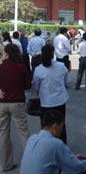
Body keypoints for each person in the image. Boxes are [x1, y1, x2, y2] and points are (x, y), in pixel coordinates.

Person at [20, 110, 86, 174]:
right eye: (61, 126)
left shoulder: (32, 138)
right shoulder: (55, 144)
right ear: (55, 126)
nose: (62, 130)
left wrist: (71, 158)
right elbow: (77, 167)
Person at [0, 44, 31, 172]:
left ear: (7, 54)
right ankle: (30, 163)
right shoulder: (22, 68)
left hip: (1, 103)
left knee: (3, 133)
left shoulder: (1, 67)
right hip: (17, 102)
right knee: (24, 133)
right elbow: (28, 85)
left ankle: (6, 164)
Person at [32, 44, 70, 143]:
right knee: (61, 125)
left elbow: (35, 87)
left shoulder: (38, 69)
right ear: (53, 54)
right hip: (60, 101)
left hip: (45, 103)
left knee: (45, 127)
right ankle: (62, 147)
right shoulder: (61, 66)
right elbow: (67, 82)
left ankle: (47, 146)